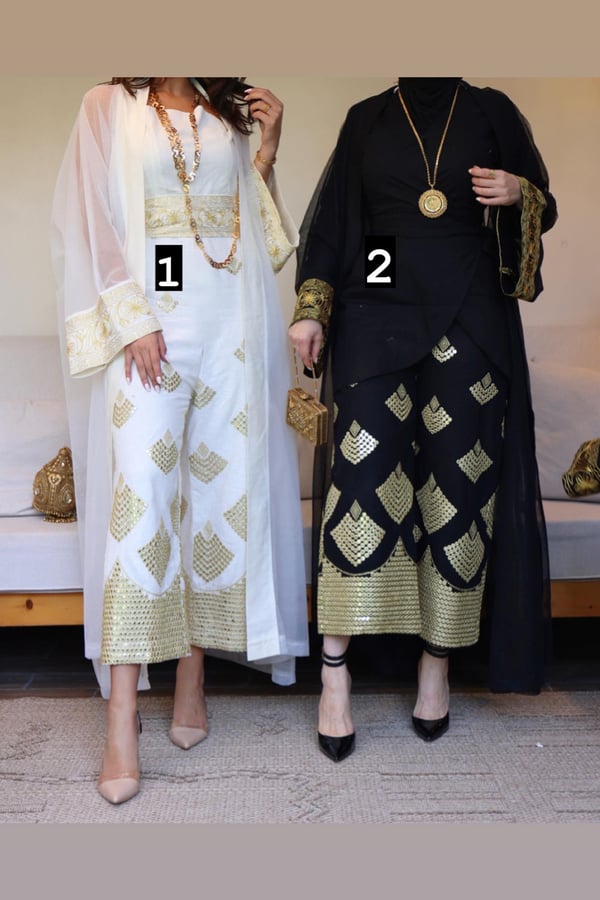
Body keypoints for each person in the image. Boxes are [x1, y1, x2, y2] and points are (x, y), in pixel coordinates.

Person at [51, 76, 308, 803]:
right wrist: (133, 318)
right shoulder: (108, 104)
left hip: (231, 327)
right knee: (142, 504)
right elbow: (93, 218)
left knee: (217, 497)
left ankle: (193, 676)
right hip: (150, 329)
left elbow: (254, 237)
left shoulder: (226, 115)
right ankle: (122, 717)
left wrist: (267, 151)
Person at [289, 77, 557, 761]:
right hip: (380, 295)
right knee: (361, 480)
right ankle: (335, 673)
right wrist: (313, 310)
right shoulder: (369, 117)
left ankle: (435, 664)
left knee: (458, 485)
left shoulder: (491, 110)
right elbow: (336, 225)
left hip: (471, 307)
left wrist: (520, 194)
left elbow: (541, 203)